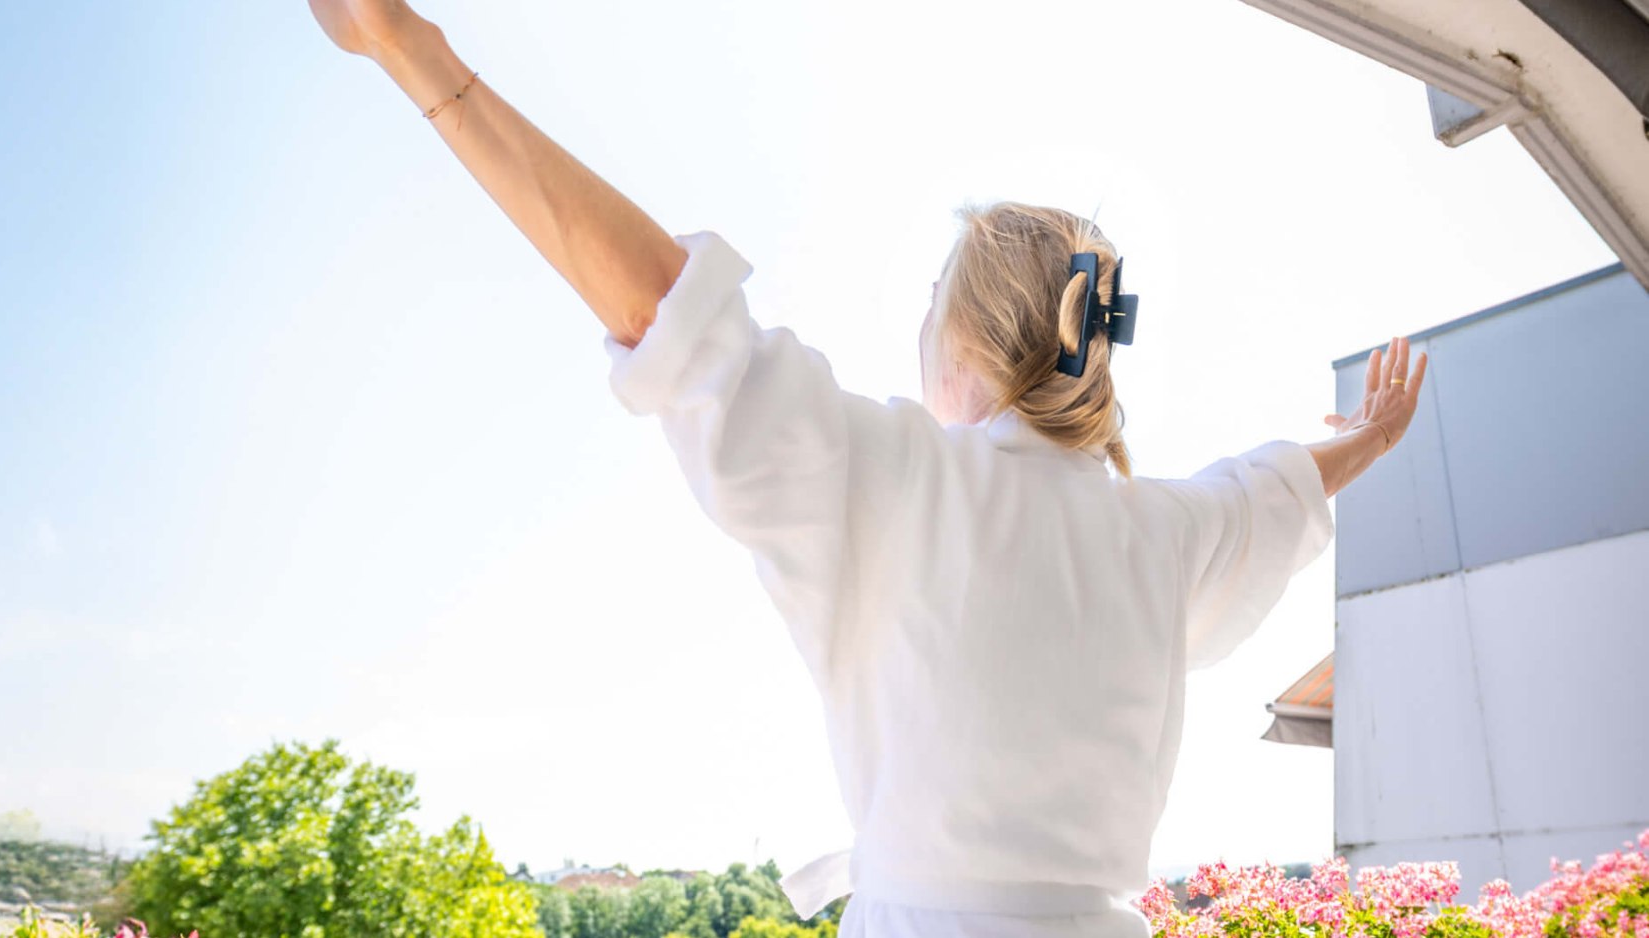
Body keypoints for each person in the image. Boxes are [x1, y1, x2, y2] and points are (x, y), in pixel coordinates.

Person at [308, 2, 1431, 937]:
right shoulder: (1162, 534)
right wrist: (1368, 437)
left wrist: (415, 53)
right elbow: (1276, 484)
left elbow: (667, 311)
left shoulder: (898, 478)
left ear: (962, 343)